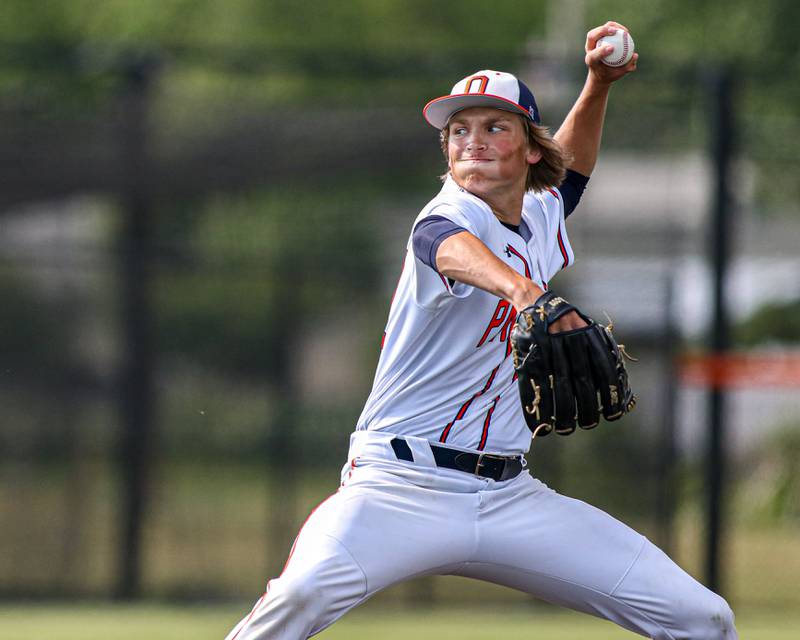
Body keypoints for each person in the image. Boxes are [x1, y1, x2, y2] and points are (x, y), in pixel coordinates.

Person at [225, 21, 738, 640]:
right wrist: (527, 293)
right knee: (296, 602)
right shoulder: (449, 212)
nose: (472, 141)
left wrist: (598, 84)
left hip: (509, 496)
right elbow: (443, 245)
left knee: (702, 618)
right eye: (458, 130)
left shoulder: (540, 214)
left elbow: (571, 174)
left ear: (529, 149)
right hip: (397, 487)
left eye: (495, 126)